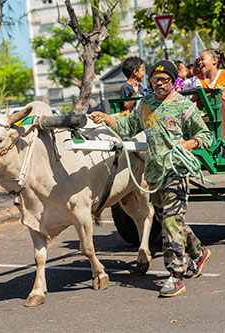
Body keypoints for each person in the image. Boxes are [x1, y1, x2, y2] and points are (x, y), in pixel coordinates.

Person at [90, 60, 213, 297]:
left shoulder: (183, 105)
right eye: (155, 80)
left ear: (172, 81)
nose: (159, 84)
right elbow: (127, 125)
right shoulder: (145, 105)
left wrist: (189, 143)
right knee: (169, 219)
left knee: (170, 223)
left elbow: (204, 135)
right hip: (154, 173)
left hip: (176, 170)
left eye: (164, 80)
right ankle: (198, 252)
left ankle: (176, 275)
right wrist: (106, 118)